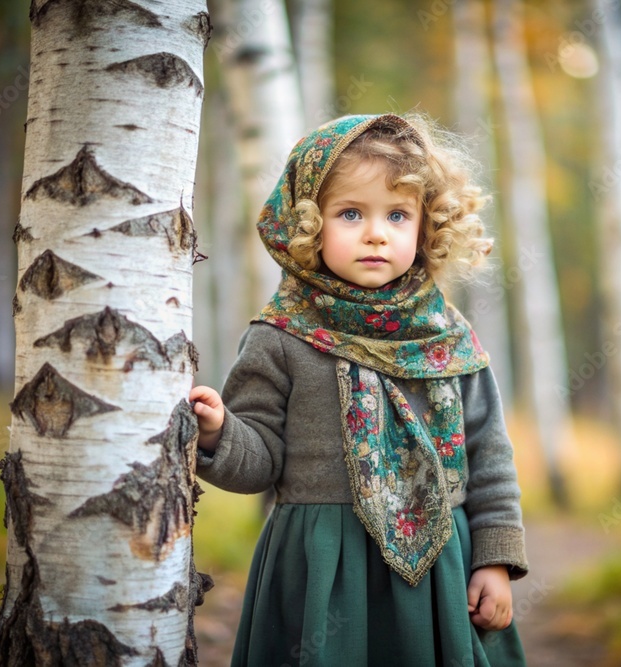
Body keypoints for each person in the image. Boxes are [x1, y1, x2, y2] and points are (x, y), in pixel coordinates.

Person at [190, 112, 528, 666]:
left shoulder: (446, 337)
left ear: (427, 227)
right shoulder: (281, 338)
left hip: (441, 566)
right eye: (351, 213)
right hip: (321, 565)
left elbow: (489, 456)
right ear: (307, 224)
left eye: (398, 214)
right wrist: (219, 432)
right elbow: (258, 462)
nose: (376, 232)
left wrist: (495, 562)